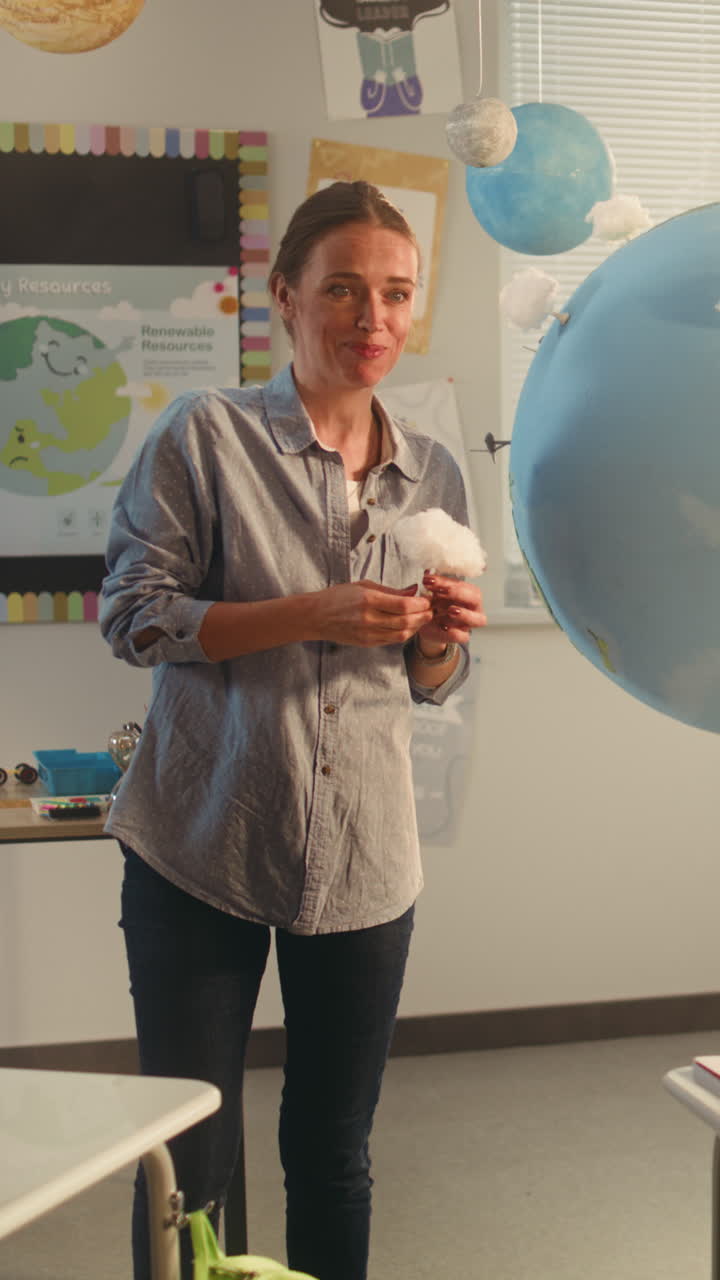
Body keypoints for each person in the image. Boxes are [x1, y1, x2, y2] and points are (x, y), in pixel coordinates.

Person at [99, 179, 486, 1280]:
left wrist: (437, 642)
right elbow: (131, 614)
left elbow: (433, 680)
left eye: (397, 294)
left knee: (334, 1151)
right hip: (201, 844)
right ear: (286, 298)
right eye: (344, 290)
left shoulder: (434, 472)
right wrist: (307, 610)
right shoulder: (207, 437)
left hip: (365, 860)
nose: (373, 318)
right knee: (190, 1165)